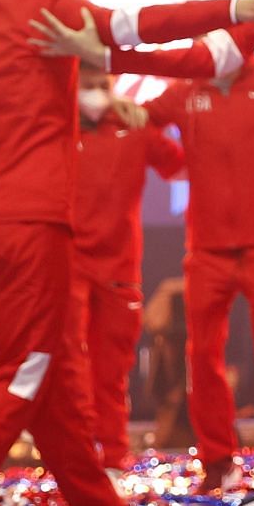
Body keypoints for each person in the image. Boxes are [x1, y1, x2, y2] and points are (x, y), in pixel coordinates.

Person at [0, 0, 254, 506]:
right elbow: (143, 24)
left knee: (40, 364)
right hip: (32, 221)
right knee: (29, 367)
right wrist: (234, 7)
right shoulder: (47, 5)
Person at [149, 55, 254, 492]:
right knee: (201, 355)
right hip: (206, 248)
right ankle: (216, 461)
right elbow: (134, 118)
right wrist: (170, 162)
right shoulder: (187, 89)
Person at [74, 60, 185, 469]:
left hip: (119, 270)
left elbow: (180, 164)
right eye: (86, 84)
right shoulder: (53, 125)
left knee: (112, 371)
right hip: (67, 270)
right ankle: (77, 458)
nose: (94, 91)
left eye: (100, 83)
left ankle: (114, 457)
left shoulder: (134, 126)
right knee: (71, 371)